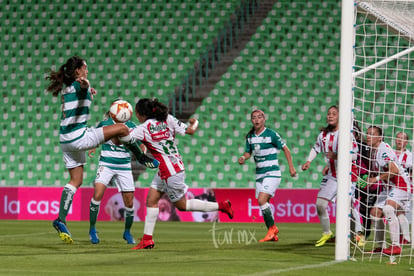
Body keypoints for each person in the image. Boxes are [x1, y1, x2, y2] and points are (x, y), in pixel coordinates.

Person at [45, 56, 159, 244]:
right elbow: (83, 85)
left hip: (65, 139)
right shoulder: (79, 84)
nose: (87, 71)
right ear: (77, 72)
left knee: (76, 180)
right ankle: (140, 156)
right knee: (122, 128)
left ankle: (60, 219)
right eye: (85, 68)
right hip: (79, 136)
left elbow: (81, 92)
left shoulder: (66, 89)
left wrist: (89, 90)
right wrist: (86, 85)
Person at [129, 98, 234, 250]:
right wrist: (195, 122)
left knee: (182, 206)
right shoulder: (168, 118)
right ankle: (147, 239)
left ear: (140, 114)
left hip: (169, 172)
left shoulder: (143, 128)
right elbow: (191, 130)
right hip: (173, 167)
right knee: (151, 200)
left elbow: (124, 139)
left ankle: (222, 206)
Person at [302, 105, 358, 247]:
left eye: (334, 113)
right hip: (332, 176)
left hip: (347, 176)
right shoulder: (324, 136)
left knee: (347, 206)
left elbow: (355, 155)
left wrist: (337, 155)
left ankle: (357, 234)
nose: (330, 116)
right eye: (329, 114)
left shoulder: (347, 133)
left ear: (340, 116)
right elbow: (316, 148)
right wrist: (309, 161)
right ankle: (327, 233)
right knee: (320, 205)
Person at [238, 109, 296, 242]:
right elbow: (248, 152)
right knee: (264, 203)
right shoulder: (250, 137)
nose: (257, 120)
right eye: (254, 118)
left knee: (261, 200)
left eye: (259, 117)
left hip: (272, 173)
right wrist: (243, 157)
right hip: (259, 174)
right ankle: (272, 233)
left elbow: (285, 149)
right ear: (251, 120)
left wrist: (291, 167)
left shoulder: (271, 134)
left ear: (264, 119)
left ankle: (272, 229)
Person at [87, 107, 143, 244]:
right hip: (106, 163)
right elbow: (95, 137)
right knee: (97, 195)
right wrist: (92, 146)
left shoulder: (132, 127)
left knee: (129, 203)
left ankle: (127, 232)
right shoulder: (104, 124)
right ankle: (92, 230)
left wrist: (142, 149)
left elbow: (140, 144)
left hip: (124, 166)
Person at [366, 126, 411, 255]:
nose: (368, 136)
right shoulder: (373, 151)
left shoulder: (383, 150)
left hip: (401, 184)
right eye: (367, 133)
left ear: (379, 137)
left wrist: (376, 179)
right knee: (375, 213)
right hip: (390, 187)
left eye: (372, 134)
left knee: (388, 209)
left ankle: (396, 246)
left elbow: (395, 170)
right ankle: (381, 246)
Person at [394, 132, 412, 245]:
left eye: (402, 138)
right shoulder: (391, 153)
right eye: (398, 138)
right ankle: (405, 237)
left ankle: (405, 237)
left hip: (405, 186)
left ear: (406, 142)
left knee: (400, 211)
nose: (399, 140)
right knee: (398, 211)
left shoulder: (409, 155)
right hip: (392, 186)